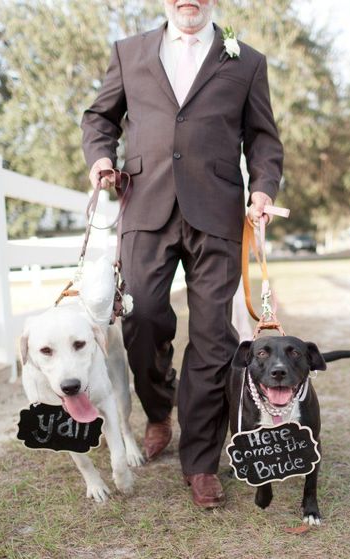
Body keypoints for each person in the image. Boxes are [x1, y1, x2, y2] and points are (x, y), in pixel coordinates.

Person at [81, 0, 283, 508]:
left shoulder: (247, 60)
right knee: (143, 317)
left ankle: (200, 461)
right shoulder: (129, 52)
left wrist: (262, 189)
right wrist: (102, 157)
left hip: (215, 210)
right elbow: (99, 116)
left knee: (214, 334)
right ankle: (158, 410)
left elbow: (263, 137)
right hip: (144, 203)